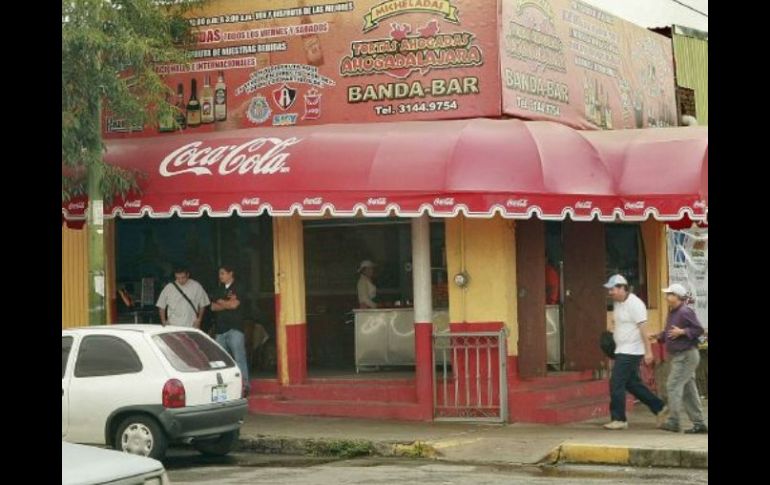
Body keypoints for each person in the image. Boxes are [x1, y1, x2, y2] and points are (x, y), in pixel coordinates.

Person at [603, 274, 667, 430]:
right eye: (609, 289)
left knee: (616, 382)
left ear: (622, 288)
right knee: (631, 384)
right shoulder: (618, 304)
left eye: (613, 289)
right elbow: (618, 323)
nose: (610, 292)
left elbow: (643, 329)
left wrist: (648, 352)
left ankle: (619, 419)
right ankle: (659, 407)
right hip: (621, 349)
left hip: (631, 351)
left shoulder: (635, 304)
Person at [655, 284, 707, 434]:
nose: (667, 296)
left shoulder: (685, 311)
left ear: (678, 297)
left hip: (686, 355)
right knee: (688, 389)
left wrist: (683, 331)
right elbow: (669, 332)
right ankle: (699, 423)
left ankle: (674, 421)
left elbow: (699, 329)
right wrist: (659, 336)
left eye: (670, 294)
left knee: (673, 385)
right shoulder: (673, 312)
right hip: (679, 356)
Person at [210, 265, 250, 395]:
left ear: (230, 273)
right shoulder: (218, 289)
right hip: (220, 331)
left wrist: (221, 302)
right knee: (219, 361)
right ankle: (224, 386)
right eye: (219, 274)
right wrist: (226, 303)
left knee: (239, 358)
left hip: (235, 328)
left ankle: (244, 386)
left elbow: (235, 305)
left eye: (222, 273)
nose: (220, 276)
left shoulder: (239, 287)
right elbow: (213, 307)